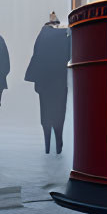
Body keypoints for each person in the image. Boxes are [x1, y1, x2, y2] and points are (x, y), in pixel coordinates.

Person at [26, 12, 72, 154]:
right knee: (59, 111)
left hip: (45, 82)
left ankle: (47, 144)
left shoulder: (42, 36)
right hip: (59, 80)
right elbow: (69, 55)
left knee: (45, 112)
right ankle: (59, 142)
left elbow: (36, 56)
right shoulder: (65, 36)